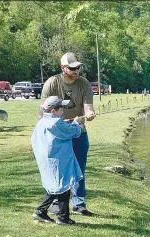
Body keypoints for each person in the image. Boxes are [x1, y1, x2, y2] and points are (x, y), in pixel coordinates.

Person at [39, 52, 96, 216]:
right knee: (58, 169)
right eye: (72, 68)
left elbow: (88, 107)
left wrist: (90, 114)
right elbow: (42, 112)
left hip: (78, 132)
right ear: (63, 68)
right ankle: (56, 204)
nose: (76, 71)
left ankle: (79, 204)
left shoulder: (84, 84)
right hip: (57, 133)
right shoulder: (52, 83)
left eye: (78, 68)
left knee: (79, 168)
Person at [31, 96, 84, 225]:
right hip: (59, 160)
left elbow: (60, 129)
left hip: (47, 160)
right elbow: (73, 132)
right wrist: (77, 124)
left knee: (54, 186)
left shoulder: (43, 121)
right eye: (61, 109)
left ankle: (42, 212)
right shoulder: (55, 123)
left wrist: (66, 123)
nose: (63, 111)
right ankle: (62, 217)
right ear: (53, 111)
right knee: (63, 186)